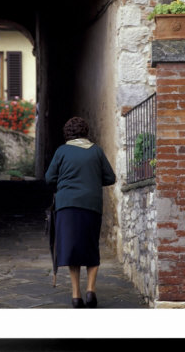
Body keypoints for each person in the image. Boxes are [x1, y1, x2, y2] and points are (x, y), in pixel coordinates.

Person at [45, 117, 116, 308]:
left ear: (67, 134)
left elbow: (49, 177)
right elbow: (110, 177)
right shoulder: (96, 151)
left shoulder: (62, 151)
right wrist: (91, 181)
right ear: (86, 132)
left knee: (71, 249)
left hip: (66, 206)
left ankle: (76, 295)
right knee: (91, 247)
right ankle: (91, 291)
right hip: (91, 205)